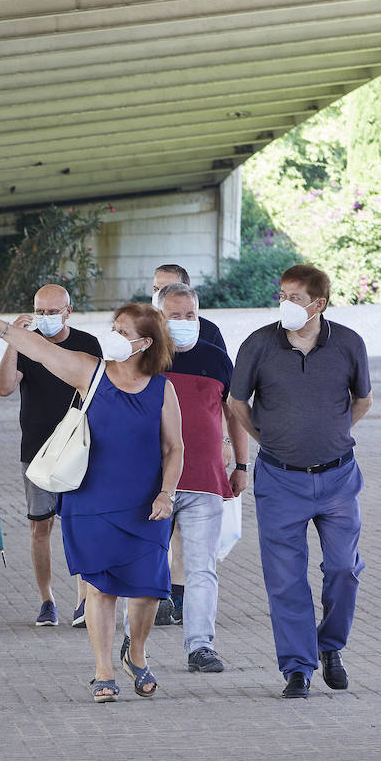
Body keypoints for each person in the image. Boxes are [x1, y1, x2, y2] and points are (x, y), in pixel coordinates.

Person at [0, 303, 182, 701]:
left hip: (146, 505)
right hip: (90, 498)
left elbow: (174, 448)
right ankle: (103, 669)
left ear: (145, 342)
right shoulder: (89, 371)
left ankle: (137, 652)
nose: (112, 334)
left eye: (123, 331)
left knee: (147, 591)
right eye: (113, 326)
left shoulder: (163, 389)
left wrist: (167, 493)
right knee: (98, 588)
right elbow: (39, 349)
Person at [226, 264, 372, 699]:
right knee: (286, 579)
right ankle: (297, 667)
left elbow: (361, 400)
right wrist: (267, 439)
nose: (284, 304)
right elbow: (237, 403)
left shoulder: (348, 343)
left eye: (294, 297)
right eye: (282, 296)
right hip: (279, 479)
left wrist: (332, 433)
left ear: (318, 303)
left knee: (344, 569)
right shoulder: (258, 344)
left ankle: (330, 647)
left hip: (339, 478)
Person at [0, 284, 102, 628]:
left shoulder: (87, 344)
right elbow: (4, 387)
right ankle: (46, 599)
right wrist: (14, 339)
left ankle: (85, 599)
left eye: (53, 312)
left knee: (80, 524)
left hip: (79, 448)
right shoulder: (28, 345)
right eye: (40, 311)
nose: (46, 318)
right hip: (38, 449)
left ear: (68, 311)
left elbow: (101, 390)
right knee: (40, 526)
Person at [158, 282, 252, 673]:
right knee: (145, 566)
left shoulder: (216, 359)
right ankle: (133, 638)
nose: (184, 322)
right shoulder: (145, 359)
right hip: (152, 484)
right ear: (160, 317)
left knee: (202, 568)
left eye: (190, 314)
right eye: (175, 315)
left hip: (205, 480)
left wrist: (242, 465)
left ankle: (200, 646)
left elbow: (235, 412)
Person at [150, 264, 226, 353]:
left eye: (168, 288)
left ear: (184, 290)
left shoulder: (209, 331)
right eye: (156, 289)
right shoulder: (141, 329)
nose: (159, 294)